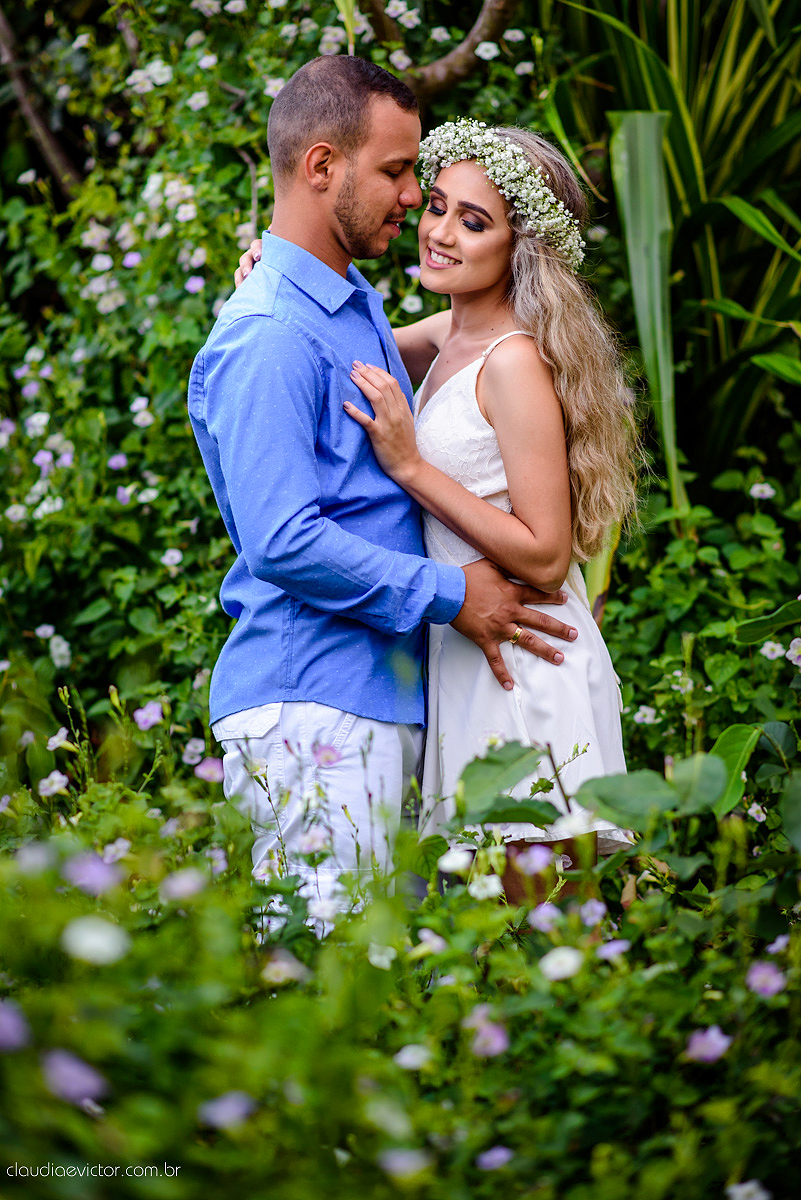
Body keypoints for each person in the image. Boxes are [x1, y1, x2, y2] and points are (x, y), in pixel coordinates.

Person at [188, 60, 577, 912]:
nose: (413, 197)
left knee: (387, 997)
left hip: (381, 700)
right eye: (398, 173)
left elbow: (487, 328)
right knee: (334, 996)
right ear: (322, 166)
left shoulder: (346, 305)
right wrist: (452, 592)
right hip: (311, 705)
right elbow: (283, 540)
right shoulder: (269, 338)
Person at [237, 118, 637, 860]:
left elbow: (547, 556)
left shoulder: (512, 362)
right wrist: (274, 269)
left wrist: (411, 467)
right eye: (437, 206)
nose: (440, 232)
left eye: (474, 221)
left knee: (548, 932)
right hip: (464, 652)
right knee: (491, 943)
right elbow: (338, 326)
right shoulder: (444, 338)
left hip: (525, 654)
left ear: (521, 248)